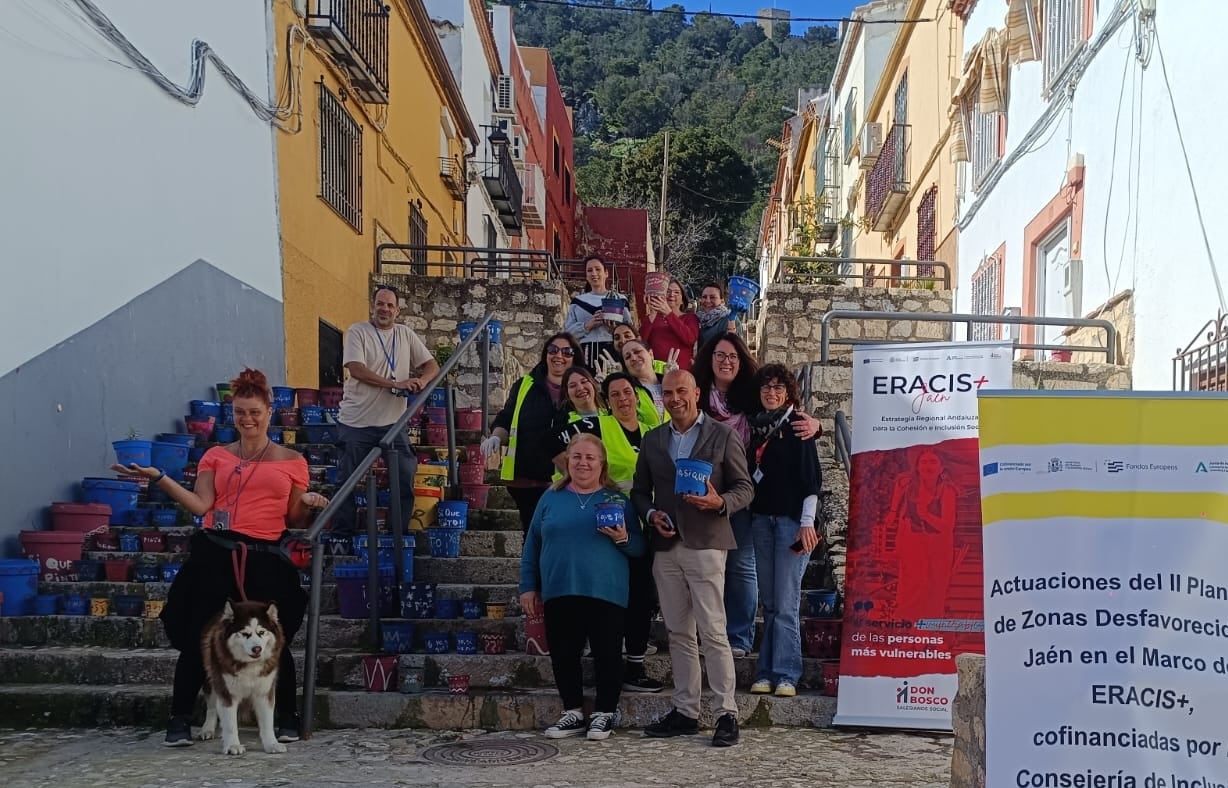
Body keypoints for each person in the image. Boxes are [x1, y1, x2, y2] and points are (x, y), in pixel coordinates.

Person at [113, 369, 329, 746]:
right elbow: (201, 504)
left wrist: (309, 504)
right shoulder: (216, 456)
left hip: (266, 556)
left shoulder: (292, 460)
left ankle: (287, 717)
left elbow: (294, 518)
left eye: (255, 412)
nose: (247, 419)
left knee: (272, 636)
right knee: (202, 634)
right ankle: (179, 718)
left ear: (270, 412)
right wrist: (159, 477)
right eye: (240, 412)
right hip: (217, 552)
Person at [631, 370, 754, 747]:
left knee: (713, 631)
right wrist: (650, 515)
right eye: (667, 393)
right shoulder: (653, 440)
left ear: (696, 393)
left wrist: (720, 503)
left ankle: (725, 713)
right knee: (678, 633)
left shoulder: (723, 434)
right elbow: (639, 492)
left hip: (706, 543)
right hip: (666, 547)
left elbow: (745, 487)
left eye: (681, 391)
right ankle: (685, 711)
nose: (674, 399)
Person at [693, 332, 822, 658]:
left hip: (742, 496)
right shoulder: (696, 396)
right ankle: (705, 633)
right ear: (710, 359)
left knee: (741, 567)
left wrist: (816, 426)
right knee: (701, 565)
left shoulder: (750, 398)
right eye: (720, 355)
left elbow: (790, 422)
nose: (726, 362)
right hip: (699, 491)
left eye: (733, 356)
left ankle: (740, 637)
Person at [520, 434, 645, 741]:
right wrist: (527, 586)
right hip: (559, 588)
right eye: (577, 457)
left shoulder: (618, 501)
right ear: (567, 461)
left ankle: (604, 712)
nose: (583, 463)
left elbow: (639, 548)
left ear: (602, 464)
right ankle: (573, 712)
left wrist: (621, 537)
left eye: (590, 457)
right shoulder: (551, 496)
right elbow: (532, 543)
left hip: (606, 589)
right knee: (563, 653)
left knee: (607, 654)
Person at [547, 371, 665, 693]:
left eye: (628, 392)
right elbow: (558, 446)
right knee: (610, 597)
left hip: (646, 526)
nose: (623, 399)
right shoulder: (597, 426)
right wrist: (579, 484)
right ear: (607, 400)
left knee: (642, 596)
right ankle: (604, 660)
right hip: (608, 524)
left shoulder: (653, 432)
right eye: (615, 395)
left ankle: (635, 666)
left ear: (638, 396)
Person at [333, 284, 439, 534]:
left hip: (393, 422)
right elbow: (356, 369)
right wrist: (395, 383)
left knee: (404, 477)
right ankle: (342, 535)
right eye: (380, 303)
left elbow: (432, 365)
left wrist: (421, 381)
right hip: (356, 421)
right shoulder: (359, 331)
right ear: (373, 306)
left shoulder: (405, 334)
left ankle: (397, 536)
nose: (385, 309)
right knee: (347, 480)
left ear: (397, 310)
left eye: (390, 305)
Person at [745, 364, 822, 698]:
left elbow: (811, 481)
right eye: (766, 387)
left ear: (789, 392)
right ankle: (765, 672)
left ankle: (788, 673)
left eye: (778, 387)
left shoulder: (799, 426)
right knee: (771, 602)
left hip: (792, 524)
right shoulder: (756, 428)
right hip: (762, 521)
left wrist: (807, 523)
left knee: (788, 603)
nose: (771, 393)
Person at [484, 332, 586, 532]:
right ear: (545, 354)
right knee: (534, 536)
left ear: (575, 357)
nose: (559, 356)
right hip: (526, 479)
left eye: (567, 351)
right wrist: (496, 437)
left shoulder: (581, 388)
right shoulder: (524, 385)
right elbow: (506, 417)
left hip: (567, 478)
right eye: (553, 350)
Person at [886, 447, 958, 622]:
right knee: (912, 586)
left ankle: (929, 634)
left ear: (941, 468)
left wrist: (926, 515)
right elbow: (898, 512)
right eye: (924, 462)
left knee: (936, 589)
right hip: (913, 541)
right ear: (917, 467)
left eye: (933, 462)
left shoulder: (947, 491)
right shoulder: (909, 487)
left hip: (939, 544)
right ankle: (905, 628)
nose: (928, 466)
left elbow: (947, 526)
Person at [564, 255, 632, 370]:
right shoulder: (578, 302)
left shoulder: (619, 300)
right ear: (586, 275)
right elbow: (567, 333)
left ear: (606, 273)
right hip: (585, 353)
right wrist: (587, 325)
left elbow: (630, 329)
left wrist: (614, 330)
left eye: (598, 269)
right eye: (589, 270)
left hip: (614, 352)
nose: (594, 273)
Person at [642, 278, 699, 370]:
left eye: (676, 292)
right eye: (668, 291)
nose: (671, 295)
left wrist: (669, 313)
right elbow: (642, 341)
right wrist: (653, 310)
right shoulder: (651, 318)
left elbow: (690, 339)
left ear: (682, 300)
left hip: (680, 372)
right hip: (655, 372)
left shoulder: (690, 318)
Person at [620, 339, 668, 427]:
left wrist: (675, 380)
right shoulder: (626, 392)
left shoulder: (669, 383)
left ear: (651, 354)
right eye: (628, 357)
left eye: (637, 351)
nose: (633, 358)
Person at [696, 282, 738, 350]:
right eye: (704, 297)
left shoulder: (729, 319)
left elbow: (737, 347)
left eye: (712, 297)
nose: (708, 300)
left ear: (722, 301)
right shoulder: (699, 320)